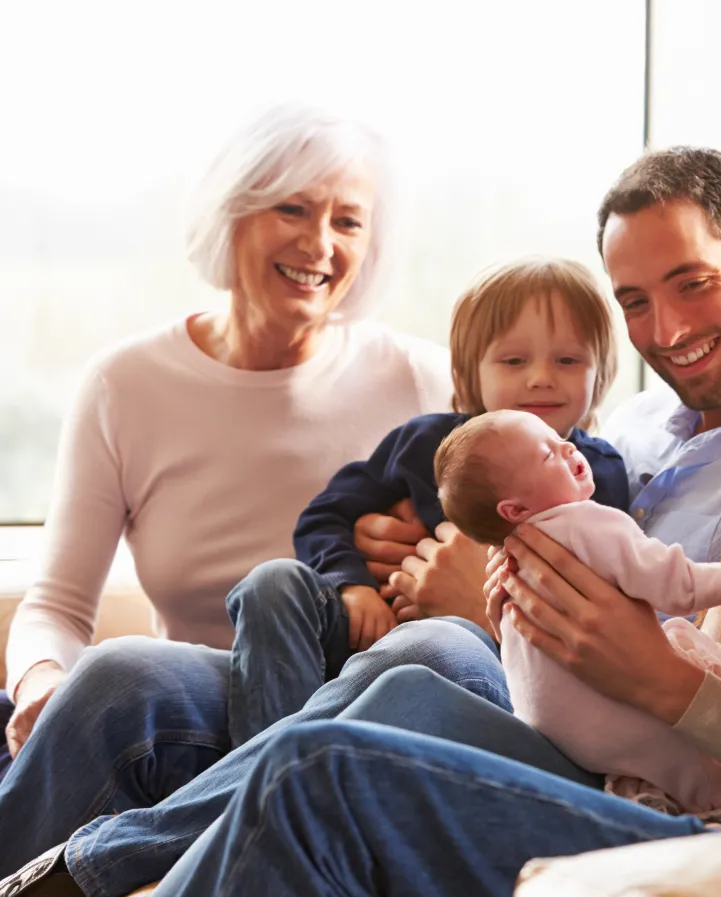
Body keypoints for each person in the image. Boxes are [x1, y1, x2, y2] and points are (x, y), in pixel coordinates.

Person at [111, 142, 721, 897]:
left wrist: (641, 672)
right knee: (153, 683)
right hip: (621, 735)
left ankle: (135, 874)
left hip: (715, 804)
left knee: (356, 732)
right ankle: (109, 874)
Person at [0, 145, 721, 897]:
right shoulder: (633, 423)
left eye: (694, 282)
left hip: (582, 719)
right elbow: (449, 479)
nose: (665, 328)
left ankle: (131, 856)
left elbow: (686, 647)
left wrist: (481, 603)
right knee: (123, 676)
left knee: (432, 652)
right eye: (633, 300)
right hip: (410, 665)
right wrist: (368, 557)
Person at [0, 103, 453, 772]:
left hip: (357, 716)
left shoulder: (424, 380)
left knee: (122, 676)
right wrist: (41, 681)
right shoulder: (124, 384)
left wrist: (436, 557)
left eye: (348, 221)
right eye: (293, 209)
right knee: (112, 680)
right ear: (231, 213)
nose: (320, 243)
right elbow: (58, 608)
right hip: (187, 722)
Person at [225, 258, 631, 748]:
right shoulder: (426, 444)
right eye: (513, 361)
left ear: (601, 374)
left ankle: (285, 771)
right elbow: (326, 515)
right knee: (271, 582)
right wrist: (353, 587)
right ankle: (264, 761)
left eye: (568, 361)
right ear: (470, 372)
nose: (541, 378)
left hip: (475, 662)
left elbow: (598, 588)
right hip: (365, 628)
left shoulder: (598, 471)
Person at [436, 409, 721, 815]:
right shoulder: (588, 523)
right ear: (514, 510)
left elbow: (512, 638)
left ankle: (644, 794)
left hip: (547, 725)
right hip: (613, 713)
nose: (568, 448)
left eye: (560, 439)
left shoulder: (508, 560)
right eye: (547, 454)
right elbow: (664, 578)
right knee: (677, 753)